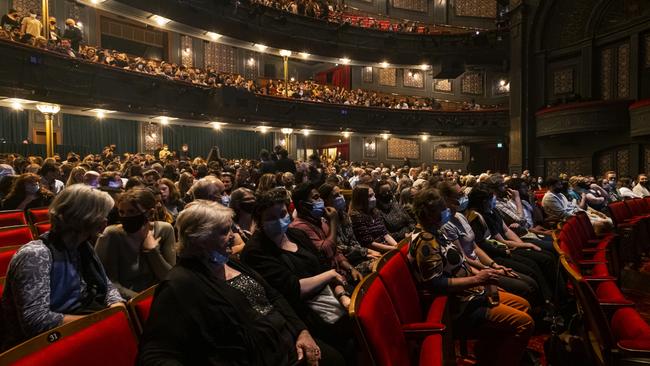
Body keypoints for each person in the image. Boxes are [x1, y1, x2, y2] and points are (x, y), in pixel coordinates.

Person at [138, 200, 341, 365]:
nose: (233, 237)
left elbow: (274, 297)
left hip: (288, 344)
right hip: (261, 358)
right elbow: (156, 354)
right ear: (197, 238)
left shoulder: (233, 263)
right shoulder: (179, 284)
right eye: (223, 232)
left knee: (336, 357)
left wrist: (302, 332)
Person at [407, 187, 534, 366]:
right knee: (524, 323)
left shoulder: (438, 232)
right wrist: (478, 279)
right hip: (458, 304)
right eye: (442, 208)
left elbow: (462, 263)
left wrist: (488, 276)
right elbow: (435, 283)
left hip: (472, 291)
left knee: (524, 304)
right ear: (428, 214)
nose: (448, 211)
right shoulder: (425, 241)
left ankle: (488, 353)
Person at [1, 185, 123, 350]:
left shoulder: (82, 246)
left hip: (80, 324)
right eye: (102, 215)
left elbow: (106, 286)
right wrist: (99, 320)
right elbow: (36, 321)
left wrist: (116, 306)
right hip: (39, 346)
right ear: (83, 217)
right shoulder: (36, 255)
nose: (106, 221)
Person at [241, 188, 353, 359]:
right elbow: (292, 288)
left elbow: (322, 266)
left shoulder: (295, 234)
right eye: (271, 218)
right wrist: (330, 275)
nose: (279, 220)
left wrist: (342, 295)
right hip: (299, 313)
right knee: (342, 350)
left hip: (329, 298)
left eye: (282, 213)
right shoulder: (255, 251)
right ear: (259, 220)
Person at [95, 188, 176, 300]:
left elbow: (169, 277)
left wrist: (153, 252)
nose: (125, 217)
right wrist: (142, 301)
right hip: (128, 302)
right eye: (121, 212)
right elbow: (109, 282)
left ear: (150, 213)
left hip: (161, 297)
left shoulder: (165, 230)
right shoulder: (112, 234)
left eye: (132, 212)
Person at [290, 183, 363, 282]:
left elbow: (335, 252)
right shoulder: (299, 227)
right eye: (316, 198)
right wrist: (333, 221)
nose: (321, 201)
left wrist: (350, 269)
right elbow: (326, 251)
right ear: (303, 205)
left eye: (319, 197)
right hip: (328, 280)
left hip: (341, 271)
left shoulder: (319, 220)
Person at [319, 183, 379, 276]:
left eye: (340, 194)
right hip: (343, 263)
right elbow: (339, 247)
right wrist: (366, 252)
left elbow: (353, 240)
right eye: (336, 196)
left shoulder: (344, 215)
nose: (340, 197)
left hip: (356, 256)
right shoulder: (323, 221)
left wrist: (365, 255)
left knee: (380, 261)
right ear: (325, 200)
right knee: (376, 267)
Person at [348, 184, 398, 252]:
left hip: (386, 247)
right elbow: (368, 244)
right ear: (361, 199)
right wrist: (393, 249)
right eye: (370, 196)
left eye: (373, 195)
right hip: (374, 251)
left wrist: (396, 245)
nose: (374, 198)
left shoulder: (375, 212)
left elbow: (385, 234)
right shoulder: (356, 217)